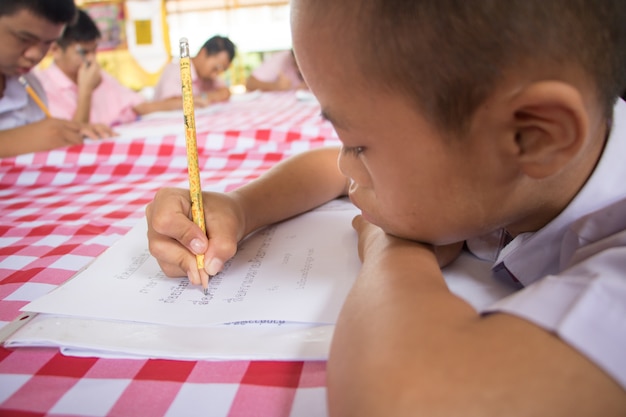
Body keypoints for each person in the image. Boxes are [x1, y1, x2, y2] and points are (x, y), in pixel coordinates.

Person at [146, 0, 626, 415]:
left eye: (357, 145)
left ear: (534, 136)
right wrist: (240, 206)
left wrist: (391, 242)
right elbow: (328, 169)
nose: (345, 166)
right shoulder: (512, 158)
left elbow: (407, 401)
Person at [0, 0, 114, 158]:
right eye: (23, 39)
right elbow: (29, 139)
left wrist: (69, 132)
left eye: (47, 43)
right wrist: (13, 141)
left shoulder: (30, 85)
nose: (36, 55)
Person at [35, 9, 181, 127]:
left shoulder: (100, 77)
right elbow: (72, 137)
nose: (92, 59)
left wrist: (187, 104)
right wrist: (86, 91)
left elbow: (139, 106)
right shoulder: (42, 87)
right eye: (84, 52)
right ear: (55, 50)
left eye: (94, 51)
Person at [153, 35, 235, 107]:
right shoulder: (176, 71)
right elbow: (167, 103)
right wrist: (204, 97)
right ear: (203, 52)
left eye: (222, 70)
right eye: (215, 68)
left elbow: (225, 92)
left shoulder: (207, 76)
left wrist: (203, 97)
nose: (215, 75)